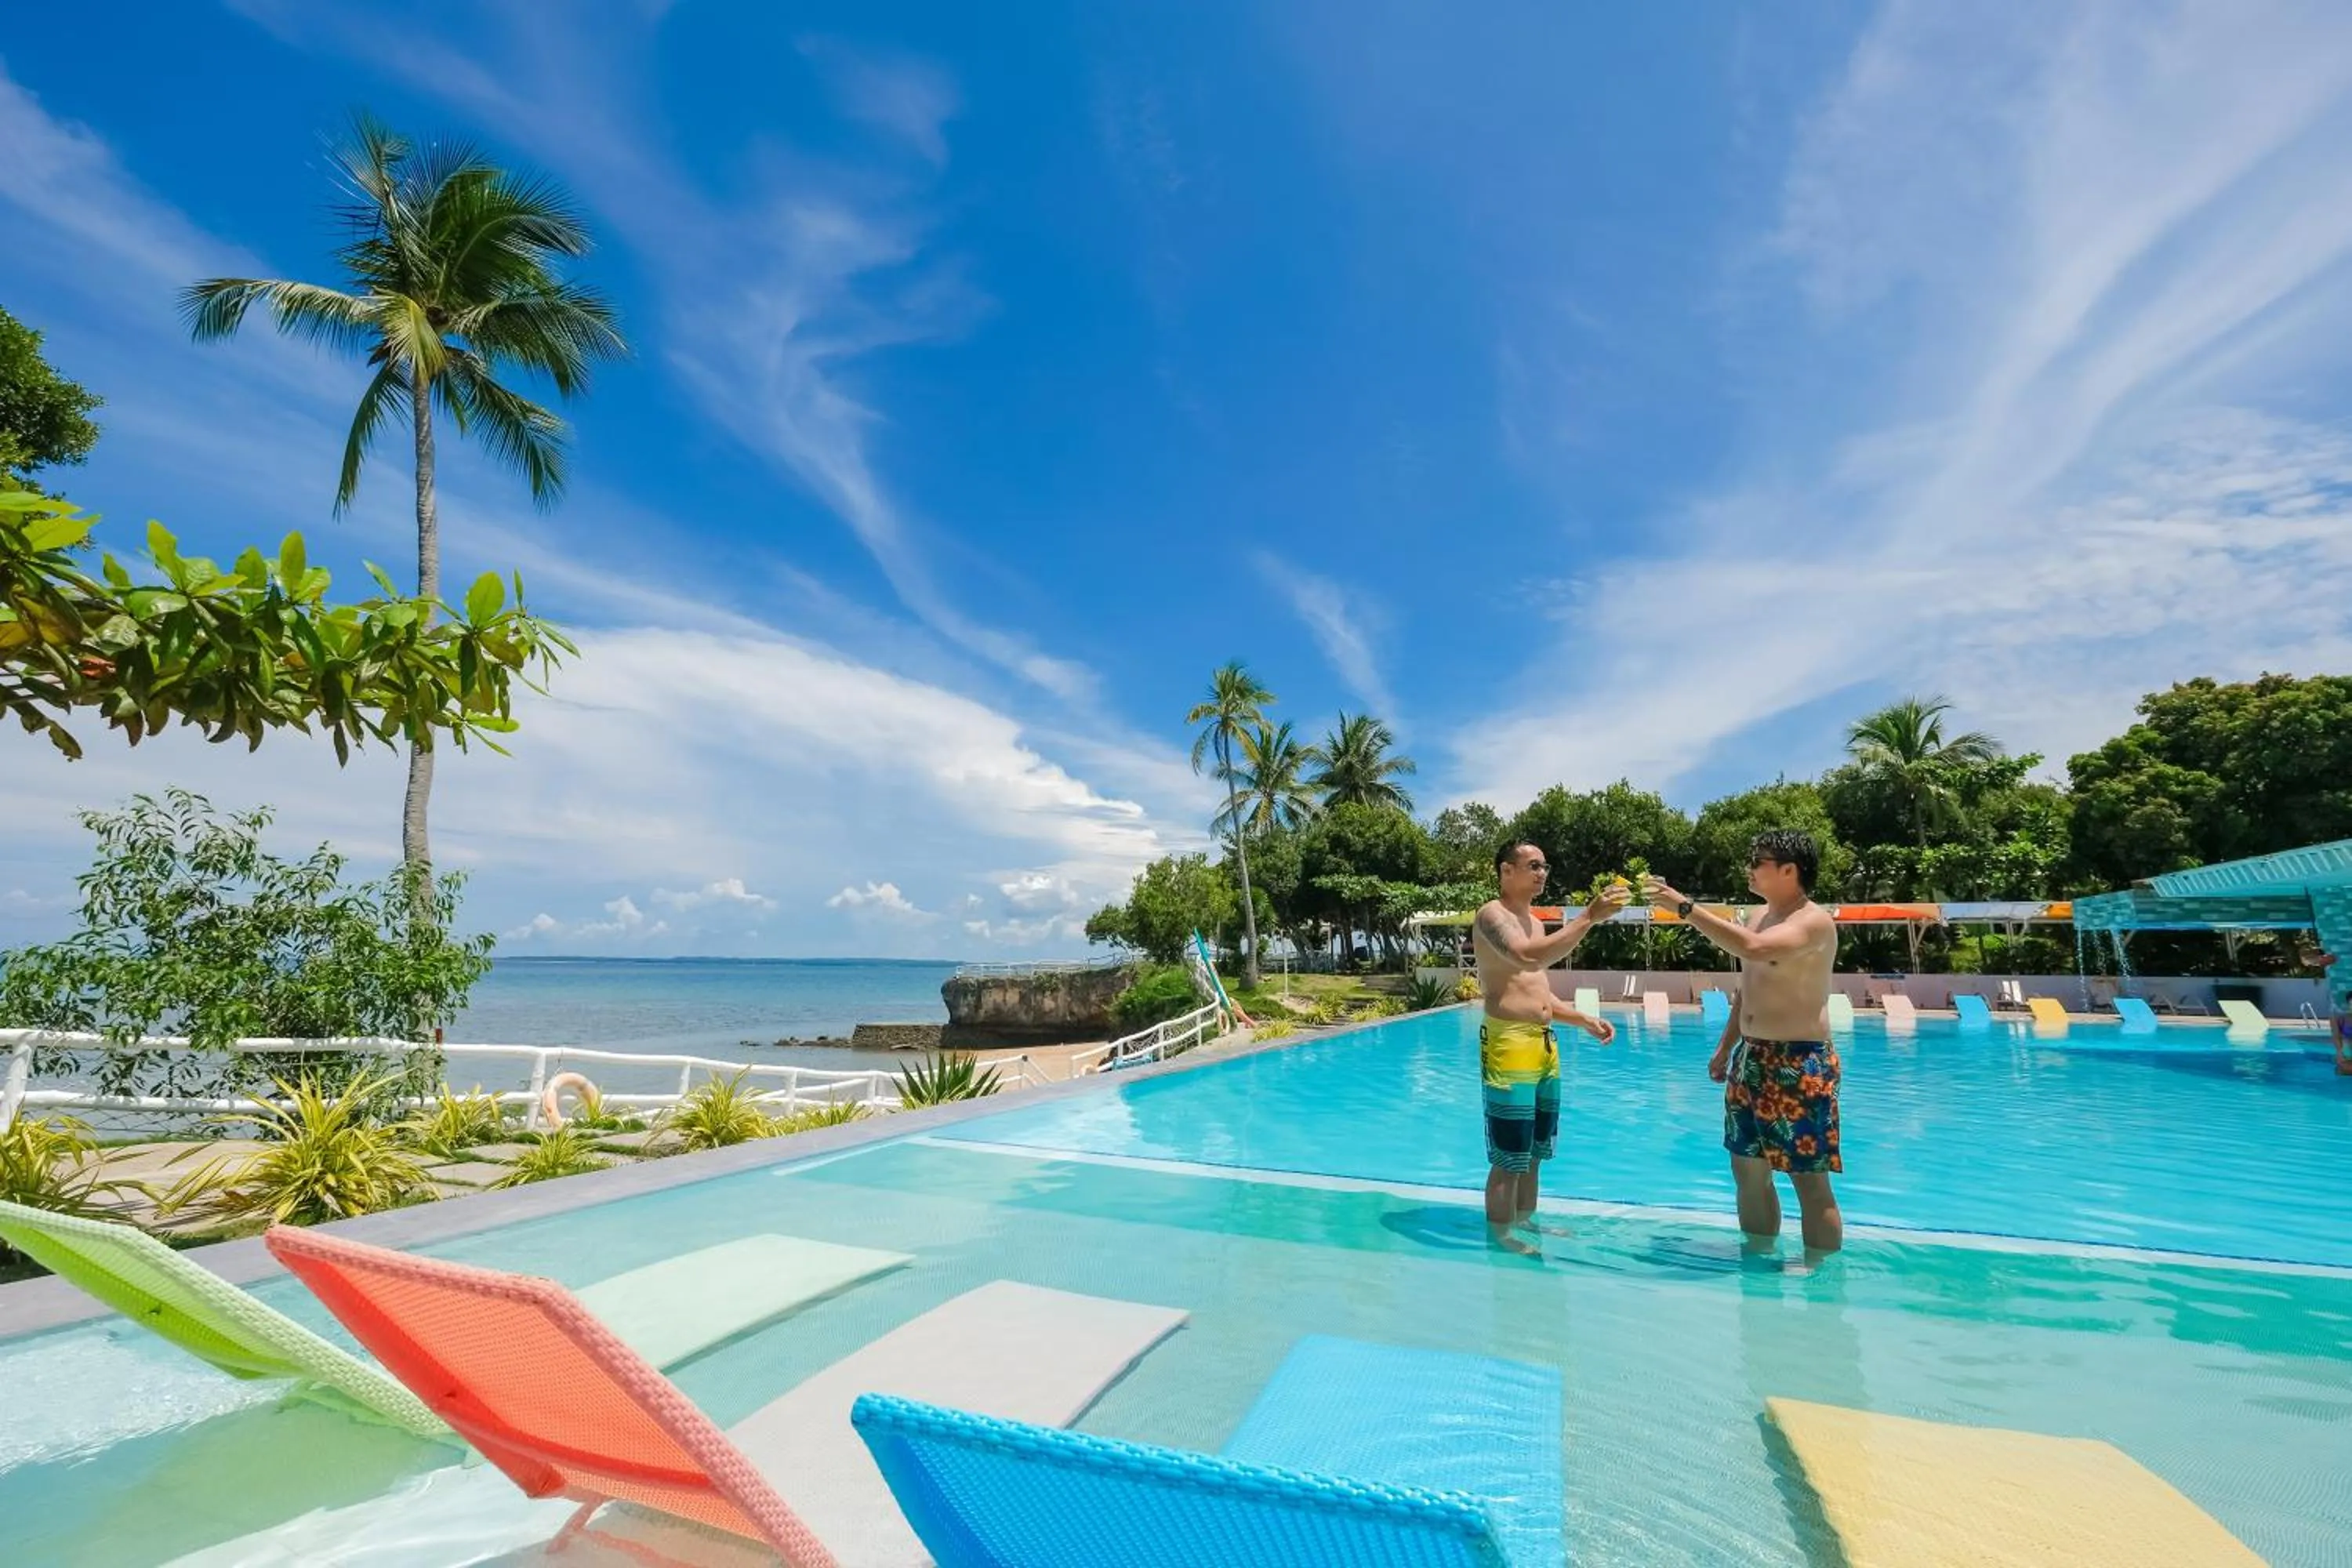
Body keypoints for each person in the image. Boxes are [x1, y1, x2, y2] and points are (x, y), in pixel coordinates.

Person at [1642, 829, 1844, 1254]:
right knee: (1748, 1173)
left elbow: (1753, 951)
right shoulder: (1758, 916)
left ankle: (1824, 1286)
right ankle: (1759, 1265)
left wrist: (1684, 907)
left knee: (1809, 1179)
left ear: (1789, 870)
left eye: (1760, 860)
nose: (1750, 868)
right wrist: (1726, 1046)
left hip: (1798, 1062)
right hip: (1751, 1057)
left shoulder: (1813, 921)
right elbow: (1746, 991)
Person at [1472, 841, 1627, 1252]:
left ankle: (1526, 1225)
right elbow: (1524, 958)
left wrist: (1582, 1019)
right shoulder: (1492, 914)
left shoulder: (1537, 922)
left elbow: (1539, 993)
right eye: (1533, 866)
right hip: (1509, 1043)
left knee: (1536, 1152)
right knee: (1510, 1154)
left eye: (1546, 866)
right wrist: (1589, 917)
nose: (1543, 873)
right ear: (1507, 870)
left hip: (1544, 1044)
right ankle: (1501, 1236)